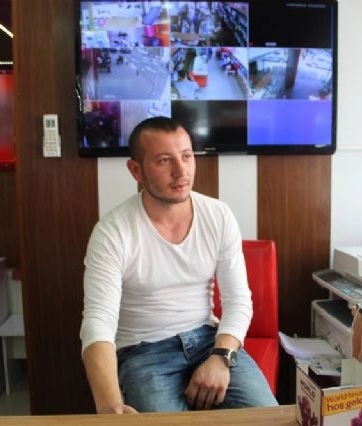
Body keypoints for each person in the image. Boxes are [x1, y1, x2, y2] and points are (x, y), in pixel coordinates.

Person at [80, 116, 278, 414]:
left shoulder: (218, 215)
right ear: (136, 170)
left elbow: (238, 300)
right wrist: (109, 405)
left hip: (208, 339)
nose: (181, 171)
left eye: (186, 156)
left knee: (269, 417)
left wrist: (221, 357)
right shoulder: (112, 231)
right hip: (143, 352)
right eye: (164, 160)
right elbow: (98, 322)